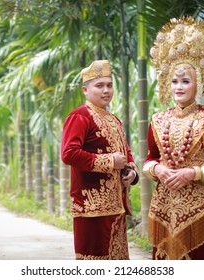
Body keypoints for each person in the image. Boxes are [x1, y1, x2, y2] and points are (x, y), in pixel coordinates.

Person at [143, 16, 204, 260]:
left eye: (186, 81)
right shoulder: (158, 119)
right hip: (164, 205)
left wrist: (192, 173)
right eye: (174, 81)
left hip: (198, 209)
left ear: (199, 83)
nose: (179, 87)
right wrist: (157, 170)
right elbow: (149, 158)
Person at [61, 59, 139, 260]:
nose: (106, 90)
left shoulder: (113, 120)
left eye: (109, 85)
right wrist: (109, 161)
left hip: (116, 205)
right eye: (100, 86)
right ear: (85, 90)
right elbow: (69, 153)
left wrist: (131, 173)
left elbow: (126, 153)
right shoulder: (79, 116)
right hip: (91, 207)